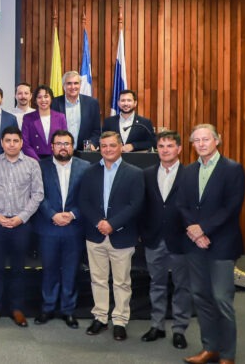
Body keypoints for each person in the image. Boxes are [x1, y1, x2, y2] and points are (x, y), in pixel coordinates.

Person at [177, 124, 245, 364]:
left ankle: (227, 354)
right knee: (201, 297)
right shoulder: (188, 171)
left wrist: (204, 229)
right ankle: (210, 348)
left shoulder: (232, 169)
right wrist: (195, 233)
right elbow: (182, 205)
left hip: (222, 244)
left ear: (217, 140)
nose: (201, 144)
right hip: (194, 244)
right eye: (196, 140)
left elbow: (231, 207)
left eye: (206, 139)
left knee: (221, 299)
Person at [79, 131, 145, 340]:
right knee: (98, 279)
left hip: (122, 236)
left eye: (112, 145)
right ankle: (100, 317)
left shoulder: (134, 173)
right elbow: (83, 201)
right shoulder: (89, 172)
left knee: (121, 282)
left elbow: (135, 204)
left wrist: (112, 224)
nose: (108, 149)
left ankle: (119, 320)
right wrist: (99, 223)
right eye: (104, 146)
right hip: (95, 234)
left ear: (120, 146)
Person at [0, 126, 44, 327]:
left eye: (15, 141)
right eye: (7, 140)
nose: (11, 144)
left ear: (21, 143)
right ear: (2, 143)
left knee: (18, 268)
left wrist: (21, 218)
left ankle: (17, 308)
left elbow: (38, 194)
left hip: (21, 224)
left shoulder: (32, 164)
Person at [33, 130, 90, 329]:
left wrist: (73, 214)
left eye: (67, 143)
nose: (63, 147)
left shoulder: (85, 167)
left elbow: (88, 196)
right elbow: (37, 194)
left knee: (71, 270)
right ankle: (48, 308)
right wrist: (52, 215)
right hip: (48, 227)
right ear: (52, 147)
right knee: (49, 269)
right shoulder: (40, 167)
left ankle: (68, 310)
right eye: (59, 144)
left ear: (72, 146)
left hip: (74, 227)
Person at [140, 130, 191, 348]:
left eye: (170, 146)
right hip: (154, 239)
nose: (165, 150)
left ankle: (179, 329)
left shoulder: (190, 175)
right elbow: (142, 206)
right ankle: (157, 326)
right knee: (156, 284)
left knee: (182, 286)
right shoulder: (147, 174)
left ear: (179, 149)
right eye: (161, 146)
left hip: (181, 240)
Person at [52, 71, 101, 151]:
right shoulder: (54, 103)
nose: (73, 87)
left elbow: (96, 130)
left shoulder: (92, 103)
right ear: (63, 86)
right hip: (61, 152)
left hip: (84, 152)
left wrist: (90, 146)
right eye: (69, 83)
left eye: (76, 83)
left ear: (80, 85)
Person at [21, 85, 68, 160]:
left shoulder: (60, 117)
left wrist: (55, 159)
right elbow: (25, 143)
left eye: (46, 97)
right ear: (35, 100)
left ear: (51, 99)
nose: (43, 100)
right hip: (34, 160)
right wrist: (38, 161)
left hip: (56, 159)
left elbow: (65, 140)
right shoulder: (28, 118)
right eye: (39, 97)